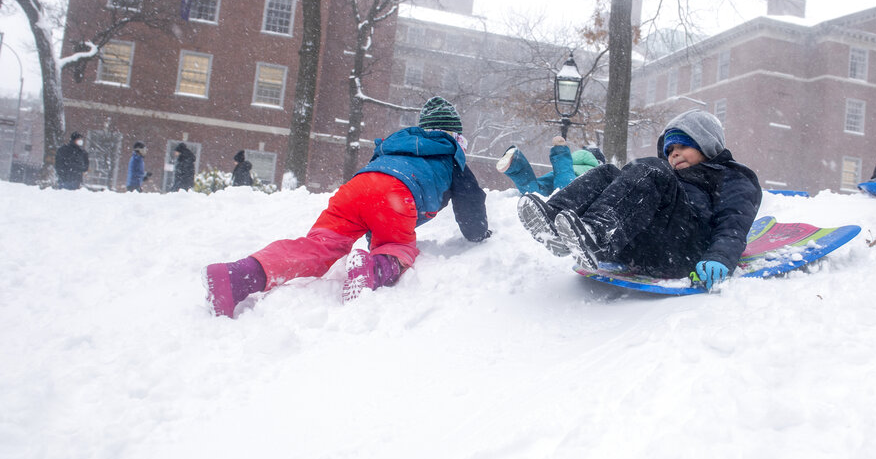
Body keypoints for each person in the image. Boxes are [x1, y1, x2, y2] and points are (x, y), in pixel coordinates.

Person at [203, 96, 491, 318]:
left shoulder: (398, 144)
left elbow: (375, 192)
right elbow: (471, 206)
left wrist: (373, 225)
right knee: (398, 247)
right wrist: (479, 234)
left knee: (318, 245)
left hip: (356, 188)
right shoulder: (451, 158)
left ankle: (238, 275)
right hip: (396, 194)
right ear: (455, 137)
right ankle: (372, 269)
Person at [517, 109, 762, 290]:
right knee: (608, 172)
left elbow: (733, 224)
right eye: (669, 150)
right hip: (638, 247)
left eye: (683, 146)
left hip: (684, 251)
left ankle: (596, 235)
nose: (673, 153)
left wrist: (719, 257)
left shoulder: (731, 176)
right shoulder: (667, 177)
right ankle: (554, 222)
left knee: (651, 169)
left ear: (708, 144)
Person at [496, 136, 605, 196]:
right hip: (573, 179)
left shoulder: (572, 160)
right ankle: (560, 152)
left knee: (535, 190)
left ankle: (516, 162)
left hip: (558, 172)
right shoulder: (595, 167)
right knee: (565, 190)